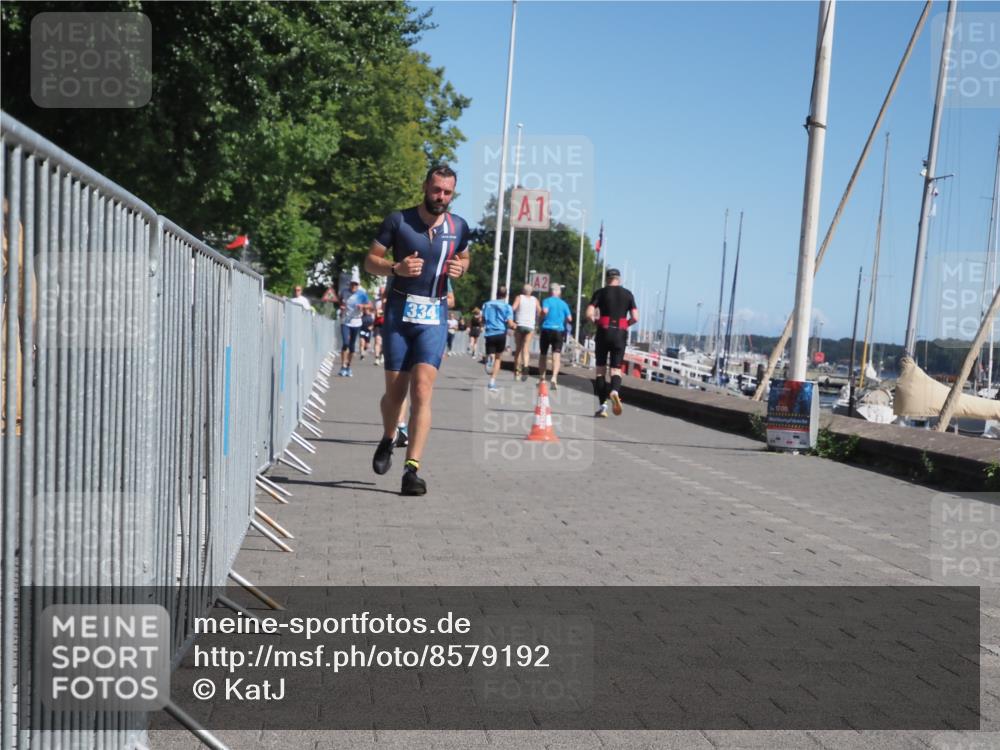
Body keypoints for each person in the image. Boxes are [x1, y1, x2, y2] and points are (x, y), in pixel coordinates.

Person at [364, 165, 471, 496]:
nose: (441, 197)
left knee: (423, 389)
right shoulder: (399, 220)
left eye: (448, 192)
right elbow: (369, 261)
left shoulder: (459, 226)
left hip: (434, 314)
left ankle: (412, 471)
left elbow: (464, 259)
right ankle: (388, 436)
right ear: (426, 186)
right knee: (395, 395)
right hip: (399, 313)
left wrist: (461, 268)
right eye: (437, 190)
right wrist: (395, 267)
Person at [586, 268, 638, 417]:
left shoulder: (600, 293)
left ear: (607, 279)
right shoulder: (628, 294)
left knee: (601, 371)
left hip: (603, 332)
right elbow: (635, 317)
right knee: (616, 370)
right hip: (620, 333)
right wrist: (625, 324)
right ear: (619, 279)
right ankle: (614, 391)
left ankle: (603, 406)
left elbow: (589, 313)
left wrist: (596, 321)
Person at [538, 283, 572, 390]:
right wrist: (563, 321)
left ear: (550, 292)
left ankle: (542, 379)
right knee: (556, 355)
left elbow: (544, 311)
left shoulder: (546, 301)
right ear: (559, 293)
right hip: (559, 330)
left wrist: (541, 318)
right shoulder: (564, 304)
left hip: (547, 329)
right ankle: (554, 378)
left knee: (543, 354)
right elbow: (570, 318)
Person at [481, 286, 515, 392]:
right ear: (506, 295)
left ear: (496, 294)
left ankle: (489, 358)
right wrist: (515, 326)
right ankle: (492, 382)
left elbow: (483, 320)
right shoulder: (507, 307)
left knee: (490, 352)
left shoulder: (487, 304)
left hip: (490, 332)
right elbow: (510, 323)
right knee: (498, 358)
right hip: (500, 333)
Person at [338, 279, 370, 377]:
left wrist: (363, 306)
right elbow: (339, 300)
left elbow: (369, 305)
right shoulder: (344, 292)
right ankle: (343, 366)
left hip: (356, 322)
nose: (354, 286)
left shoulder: (362, 294)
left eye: (356, 284)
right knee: (345, 343)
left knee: (352, 346)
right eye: (352, 284)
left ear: (358, 285)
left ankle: (348, 366)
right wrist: (341, 306)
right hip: (345, 321)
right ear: (349, 284)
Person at [511, 284, 538, 381]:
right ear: (531, 291)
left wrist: (511, 320)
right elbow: (540, 311)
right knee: (526, 349)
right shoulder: (535, 300)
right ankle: (526, 367)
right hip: (530, 326)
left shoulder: (519, 298)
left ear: (523, 290)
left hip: (520, 324)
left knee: (518, 349)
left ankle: (517, 372)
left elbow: (512, 308)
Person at [372, 286, 386, 366]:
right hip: (378, 323)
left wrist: (381, 312)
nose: (381, 293)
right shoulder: (376, 301)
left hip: (387, 324)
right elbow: (374, 312)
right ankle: (376, 358)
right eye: (380, 292)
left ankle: (383, 354)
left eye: (383, 292)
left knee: (384, 342)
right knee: (377, 340)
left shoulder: (389, 301)